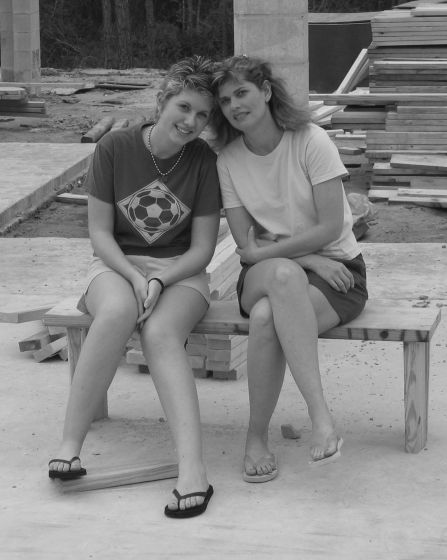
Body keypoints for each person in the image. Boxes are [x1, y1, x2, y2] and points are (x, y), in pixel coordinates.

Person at [48, 55, 221, 518]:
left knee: (162, 333)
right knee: (116, 312)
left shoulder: (204, 160)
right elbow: (100, 234)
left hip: (181, 270)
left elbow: (202, 249)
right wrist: (132, 276)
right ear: (163, 100)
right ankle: (70, 445)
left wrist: (161, 279)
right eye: (184, 107)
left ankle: (193, 471)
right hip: (116, 263)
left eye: (203, 115)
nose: (191, 122)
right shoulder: (114, 148)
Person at [212, 55, 368, 482]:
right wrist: (303, 258)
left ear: (264, 91)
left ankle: (256, 438)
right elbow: (246, 245)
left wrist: (304, 257)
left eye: (242, 92)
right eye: (225, 100)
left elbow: (330, 225)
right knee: (282, 278)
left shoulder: (310, 141)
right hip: (266, 271)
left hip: (339, 273)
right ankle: (321, 417)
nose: (234, 105)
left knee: (267, 318)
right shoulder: (228, 159)